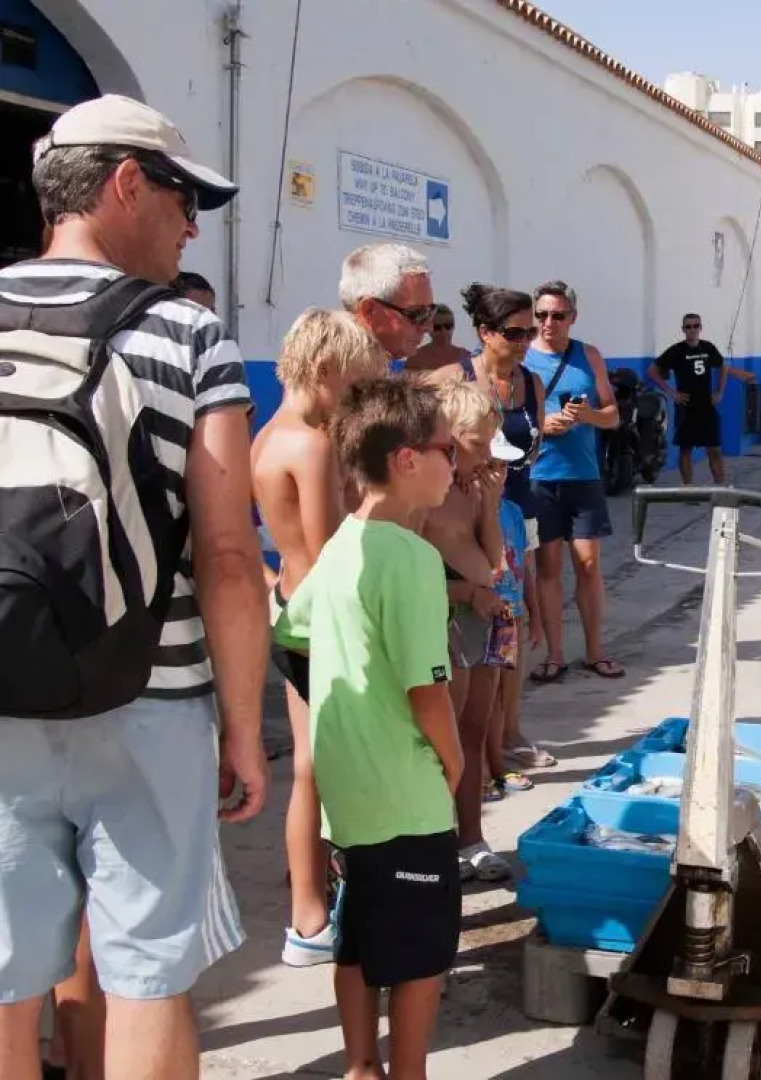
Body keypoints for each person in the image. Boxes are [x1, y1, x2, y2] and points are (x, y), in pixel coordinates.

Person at [0, 94, 266, 1078]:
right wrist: (243, 729)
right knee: (148, 976)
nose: (192, 226)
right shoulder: (189, 337)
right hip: (149, 700)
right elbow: (229, 556)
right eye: (183, 199)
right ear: (123, 183)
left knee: (4, 982)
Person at [272, 376, 462, 1080]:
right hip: (406, 796)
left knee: (357, 936)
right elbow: (426, 690)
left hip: (349, 794)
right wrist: (454, 765)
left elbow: (290, 630)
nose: (455, 465)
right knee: (420, 957)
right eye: (447, 450)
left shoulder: (341, 546)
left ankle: (359, 1065)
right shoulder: (412, 560)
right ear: (407, 459)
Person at [251, 309, 386, 965]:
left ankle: (309, 914)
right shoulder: (312, 445)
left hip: (291, 613)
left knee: (311, 766)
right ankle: (317, 911)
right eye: (356, 385)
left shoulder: (267, 435)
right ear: (327, 369)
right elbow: (335, 548)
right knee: (326, 770)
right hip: (324, 626)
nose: (358, 400)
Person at [458, 285, 556, 771]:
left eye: (528, 332)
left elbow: (532, 450)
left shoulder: (531, 383)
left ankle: (510, 731)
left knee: (514, 622)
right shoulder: (455, 378)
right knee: (479, 624)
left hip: (516, 511)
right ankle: (480, 746)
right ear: (485, 332)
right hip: (469, 518)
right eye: (513, 333)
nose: (524, 342)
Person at [426, 381, 511, 883]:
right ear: (450, 437)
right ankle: (440, 839)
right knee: (446, 739)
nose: (486, 455)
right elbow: (411, 570)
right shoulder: (427, 495)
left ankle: (472, 836)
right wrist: (465, 593)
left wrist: (492, 507)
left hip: (484, 615)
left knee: (477, 731)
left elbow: (494, 558)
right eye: (477, 444)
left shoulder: (474, 488)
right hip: (450, 615)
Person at [524, 280, 625, 683]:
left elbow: (613, 415)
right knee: (548, 567)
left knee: (588, 564)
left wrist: (587, 417)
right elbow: (502, 416)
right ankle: (554, 655)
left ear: (573, 317)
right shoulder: (522, 356)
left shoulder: (589, 356)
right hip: (539, 476)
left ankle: (595, 651)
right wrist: (542, 424)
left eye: (558, 315)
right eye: (542, 314)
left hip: (583, 475)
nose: (548, 322)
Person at [481, 438, 544, 799]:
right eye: (491, 465)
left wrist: (533, 614)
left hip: (512, 614)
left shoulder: (513, 512)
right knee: (486, 695)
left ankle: (509, 740)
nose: (499, 474)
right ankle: (489, 764)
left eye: (504, 467)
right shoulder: (471, 512)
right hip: (485, 616)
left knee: (510, 684)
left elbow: (525, 567)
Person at [649, 313, 755, 485]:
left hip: (706, 405)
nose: (692, 330)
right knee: (686, 450)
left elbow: (723, 367)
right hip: (686, 407)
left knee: (714, 449)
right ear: (683, 329)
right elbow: (652, 371)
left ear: (700, 328)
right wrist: (672, 392)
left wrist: (720, 391)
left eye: (695, 326)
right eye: (688, 326)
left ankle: (720, 488)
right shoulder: (676, 350)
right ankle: (688, 489)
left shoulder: (708, 348)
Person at [339, 242, 436, 362]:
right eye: (417, 314)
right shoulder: (331, 370)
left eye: (430, 312)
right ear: (369, 310)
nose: (428, 327)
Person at [406, 302, 472, 379]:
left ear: (453, 327)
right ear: (428, 328)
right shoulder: (416, 358)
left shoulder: (466, 356)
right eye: (437, 327)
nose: (444, 331)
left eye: (448, 326)